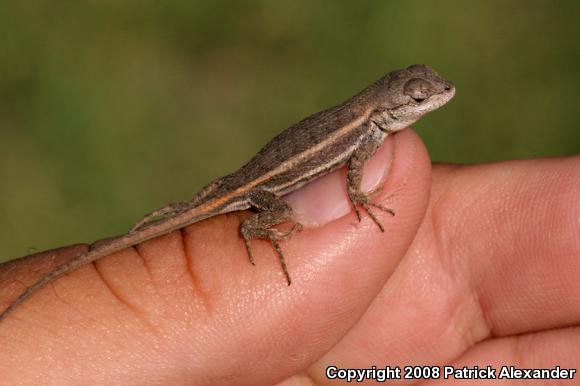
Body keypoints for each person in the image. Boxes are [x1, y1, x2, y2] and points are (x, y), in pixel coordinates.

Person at [0, 129, 578, 384]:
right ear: (393, 108)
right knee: (270, 219)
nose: (437, 101)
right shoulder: (368, 133)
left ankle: (200, 212)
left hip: (248, 175)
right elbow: (355, 176)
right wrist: (355, 202)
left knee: (198, 203)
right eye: (423, 98)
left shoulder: (370, 121)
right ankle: (257, 230)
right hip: (262, 191)